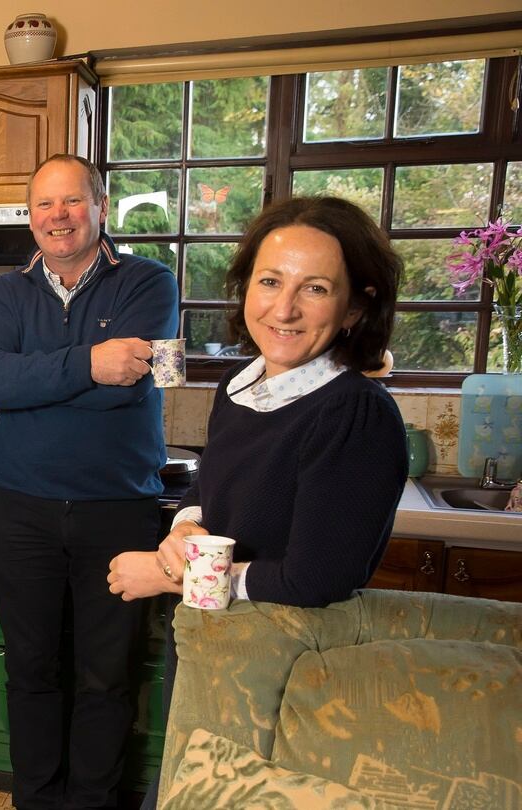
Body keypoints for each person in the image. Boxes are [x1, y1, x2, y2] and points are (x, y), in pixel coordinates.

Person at [106, 195, 408, 809]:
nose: (285, 308)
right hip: (217, 646)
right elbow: (207, 489)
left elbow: (315, 576)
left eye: (316, 288)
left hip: (284, 671)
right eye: (270, 281)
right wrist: (182, 530)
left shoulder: (353, 410)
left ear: (355, 306)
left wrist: (168, 574)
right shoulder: (241, 385)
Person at [0, 154, 179, 810]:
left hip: (117, 511)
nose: (57, 216)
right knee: (31, 671)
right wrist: (92, 362)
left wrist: (34, 384)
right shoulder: (4, 293)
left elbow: (136, 389)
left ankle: (88, 804)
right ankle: (34, 801)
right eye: (43, 205)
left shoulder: (153, 283)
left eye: (72, 201)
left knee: (104, 677)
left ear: (101, 205)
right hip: (22, 510)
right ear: (30, 217)